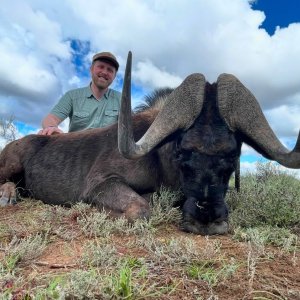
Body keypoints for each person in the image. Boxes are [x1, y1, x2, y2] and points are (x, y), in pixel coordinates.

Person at [38, 51, 121, 135]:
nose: (104, 72)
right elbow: (51, 118)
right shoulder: (72, 96)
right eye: (101, 67)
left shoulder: (121, 99)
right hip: (77, 147)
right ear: (91, 69)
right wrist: (51, 127)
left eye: (110, 70)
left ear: (114, 76)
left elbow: (129, 126)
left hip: (109, 147)